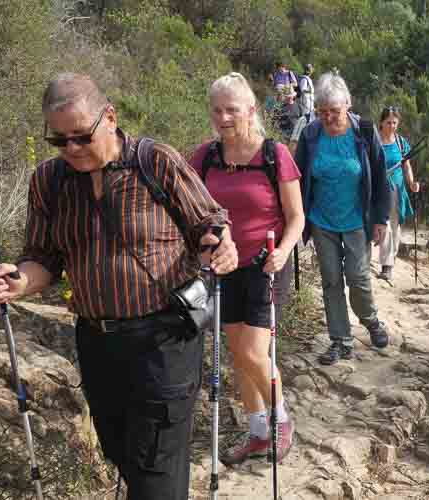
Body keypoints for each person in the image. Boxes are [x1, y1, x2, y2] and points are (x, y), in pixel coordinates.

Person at [0, 73, 238, 500]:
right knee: (122, 454)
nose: (72, 150)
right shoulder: (49, 181)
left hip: (164, 340)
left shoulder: (155, 162)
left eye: (81, 137)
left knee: (156, 469)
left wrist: (220, 244)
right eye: (59, 141)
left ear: (110, 117)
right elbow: (43, 259)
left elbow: (208, 223)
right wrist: (17, 282)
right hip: (98, 344)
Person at [188, 72, 304, 465]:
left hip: (265, 263)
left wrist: (285, 251)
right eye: (217, 110)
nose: (223, 117)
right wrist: (202, 245)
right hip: (223, 265)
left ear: (251, 110)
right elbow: (188, 208)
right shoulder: (205, 157)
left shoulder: (274, 155)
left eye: (232, 109)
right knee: (238, 354)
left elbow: (297, 217)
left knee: (254, 352)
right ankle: (257, 431)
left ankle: (281, 421)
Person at [293, 72, 391, 366]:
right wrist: (296, 218)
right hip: (322, 220)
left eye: (333, 111)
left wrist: (381, 218)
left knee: (359, 279)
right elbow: (297, 180)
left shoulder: (364, 131)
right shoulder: (311, 135)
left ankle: (371, 320)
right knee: (331, 281)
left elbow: (380, 175)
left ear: (347, 105)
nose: (328, 118)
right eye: (322, 112)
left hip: (357, 221)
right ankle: (340, 341)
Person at [377, 106, 420, 280]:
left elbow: (406, 166)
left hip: (397, 188)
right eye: (389, 122)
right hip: (379, 189)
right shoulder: (375, 141)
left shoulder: (401, 143)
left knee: (394, 224)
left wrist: (411, 183)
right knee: (384, 223)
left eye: (395, 122)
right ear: (381, 122)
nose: (392, 126)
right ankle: (387, 265)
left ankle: (391, 257)